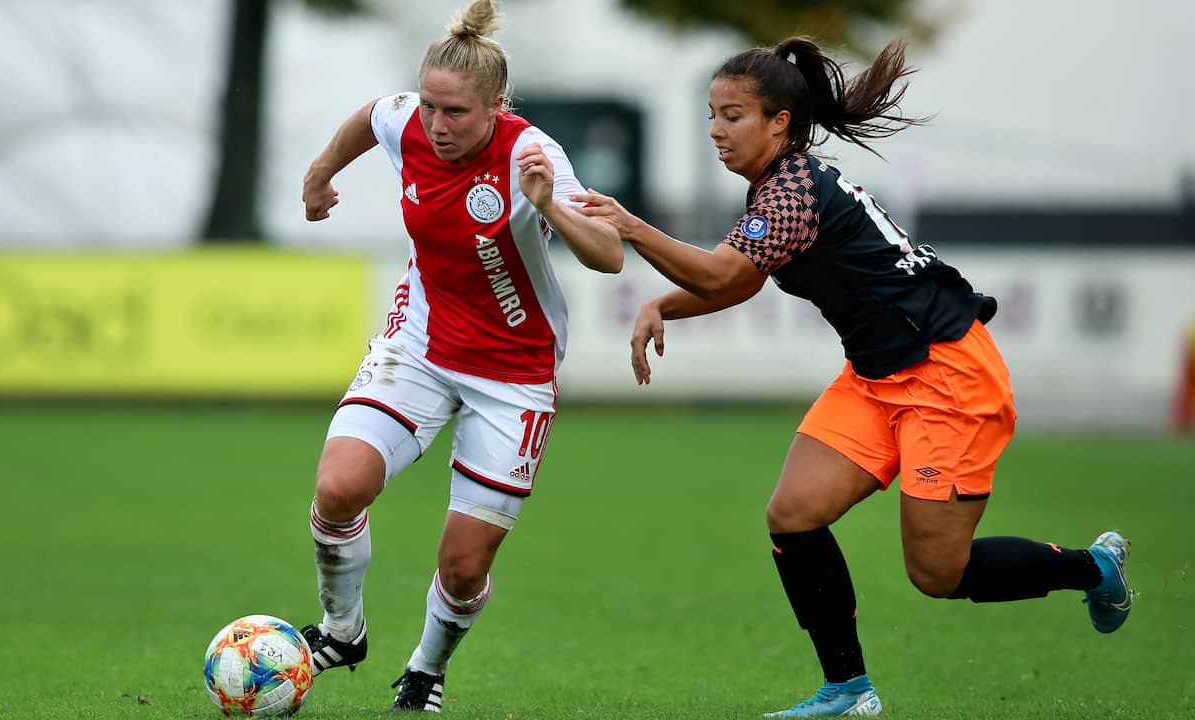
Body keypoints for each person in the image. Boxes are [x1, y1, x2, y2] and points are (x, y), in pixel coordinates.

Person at [573, 37, 1133, 718]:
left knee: (938, 573)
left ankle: (1092, 568)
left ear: (779, 122)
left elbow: (723, 274)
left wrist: (632, 227)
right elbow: (742, 279)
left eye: (733, 115)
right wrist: (665, 304)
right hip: (874, 377)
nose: (716, 130)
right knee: (792, 514)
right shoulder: (778, 187)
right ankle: (847, 689)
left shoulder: (793, 192)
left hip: (946, 375)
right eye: (712, 115)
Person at [298, 0, 622, 712]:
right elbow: (370, 117)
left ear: (496, 108)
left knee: (464, 565)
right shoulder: (408, 121)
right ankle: (341, 631)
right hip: (420, 342)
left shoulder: (533, 156)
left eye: (456, 113)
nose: (437, 125)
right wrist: (321, 174)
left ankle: (426, 669)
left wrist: (551, 206)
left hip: (514, 375)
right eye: (430, 107)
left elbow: (610, 255)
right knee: (338, 489)